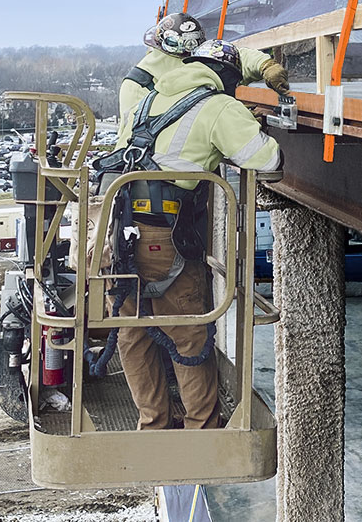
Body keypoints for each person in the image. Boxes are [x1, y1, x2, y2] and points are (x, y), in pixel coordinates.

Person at [104, 38, 282, 431]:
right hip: (164, 241)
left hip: (116, 234)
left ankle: (153, 425)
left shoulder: (147, 100)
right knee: (190, 337)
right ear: (226, 80)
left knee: (133, 331)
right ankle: (202, 431)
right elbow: (268, 160)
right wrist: (243, 122)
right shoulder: (219, 106)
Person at [116, 13, 290, 144]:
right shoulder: (137, 85)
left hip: (191, 165)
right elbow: (143, 135)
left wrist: (264, 65)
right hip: (150, 171)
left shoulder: (186, 64)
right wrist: (234, 123)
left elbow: (232, 56)